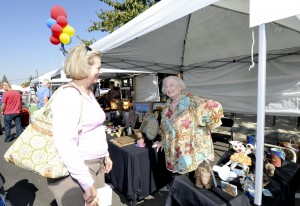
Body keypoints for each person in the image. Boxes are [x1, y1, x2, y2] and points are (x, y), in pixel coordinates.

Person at [47, 44, 113, 206]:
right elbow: (65, 143)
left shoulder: (88, 92)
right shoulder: (69, 95)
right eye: (98, 67)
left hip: (94, 165)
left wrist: (105, 154)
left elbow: (94, 129)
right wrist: (86, 182)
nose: (101, 71)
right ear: (83, 68)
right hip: (79, 171)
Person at [152, 76, 224, 180]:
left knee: (193, 182)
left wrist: (209, 122)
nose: (169, 88)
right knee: (179, 180)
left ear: (180, 87)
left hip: (192, 152)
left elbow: (214, 107)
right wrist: (162, 142)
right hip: (174, 151)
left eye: (172, 85)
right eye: (166, 86)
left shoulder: (192, 101)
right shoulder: (167, 105)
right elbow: (165, 127)